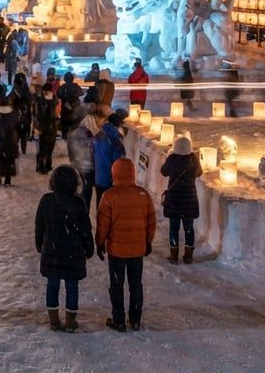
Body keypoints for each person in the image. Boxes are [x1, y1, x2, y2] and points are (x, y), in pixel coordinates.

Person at [95, 157, 155, 332]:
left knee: (117, 285)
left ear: (114, 174)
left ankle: (119, 319)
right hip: (137, 250)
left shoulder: (109, 196)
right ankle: (135, 319)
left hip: (117, 251)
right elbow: (151, 221)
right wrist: (148, 241)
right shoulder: (143, 195)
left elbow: (103, 224)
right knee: (136, 284)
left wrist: (99, 243)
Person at [36, 165, 95, 332]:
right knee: (72, 286)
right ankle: (70, 322)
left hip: (52, 251)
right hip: (73, 253)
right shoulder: (78, 203)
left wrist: (40, 244)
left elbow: (39, 225)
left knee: (52, 285)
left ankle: (54, 320)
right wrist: (89, 248)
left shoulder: (47, 200)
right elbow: (85, 229)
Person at [159, 136, 202, 264]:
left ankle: (174, 255)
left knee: (174, 228)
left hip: (174, 201)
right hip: (189, 200)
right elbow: (199, 173)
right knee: (189, 228)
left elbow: (163, 172)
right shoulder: (193, 159)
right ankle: (188, 256)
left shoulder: (172, 159)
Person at [65, 99, 101, 214]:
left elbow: (71, 152)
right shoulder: (83, 133)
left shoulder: (72, 133)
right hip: (87, 167)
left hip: (78, 166)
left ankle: (82, 213)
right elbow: (92, 147)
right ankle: (84, 213)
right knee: (86, 193)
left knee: (83, 193)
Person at [92, 109, 128, 208]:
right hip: (110, 180)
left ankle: (100, 218)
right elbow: (119, 163)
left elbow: (94, 152)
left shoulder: (99, 135)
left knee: (100, 205)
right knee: (110, 207)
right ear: (117, 126)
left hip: (99, 177)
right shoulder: (115, 142)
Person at [0, 93, 20, 186]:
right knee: (9, 159)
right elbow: (16, 125)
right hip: (10, 140)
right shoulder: (13, 113)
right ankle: (8, 180)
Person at [33, 84, 59, 174]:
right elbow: (57, 114)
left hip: (43, 126)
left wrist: (36, 126)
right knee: (50, 147)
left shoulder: (40, 100)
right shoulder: (55, 100)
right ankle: (47, 165)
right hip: (53, 127)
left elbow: (38, 115)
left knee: (42, 147)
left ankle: (41, 166)